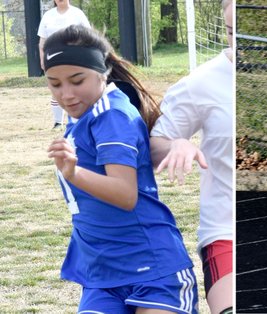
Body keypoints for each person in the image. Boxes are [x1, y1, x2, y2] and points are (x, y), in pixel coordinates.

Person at [44, 24, 198, 313]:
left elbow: (125, 194)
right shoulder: (87, 112)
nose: (66, 94)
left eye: (77, 80)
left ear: (102, 71)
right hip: (103, 275)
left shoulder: (111, 114)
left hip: (153, 269)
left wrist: (74, 173)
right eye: (55, 83)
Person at [150, 1, 233, 313]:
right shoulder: (202, 82)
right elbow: (155, 144)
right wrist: (176, 145)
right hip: (226, 231)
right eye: (229, 32)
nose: (237, 42)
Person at [38, 0, 90, 129]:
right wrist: (42, 59)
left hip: (74, 58)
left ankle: (77, 120)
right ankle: (57, 122)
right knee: (57, 90)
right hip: (53, 59)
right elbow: (42, 42)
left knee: (75, 89)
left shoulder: (78, 14)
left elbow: (88, 36)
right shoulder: (48, 15)